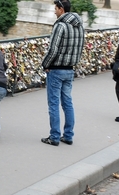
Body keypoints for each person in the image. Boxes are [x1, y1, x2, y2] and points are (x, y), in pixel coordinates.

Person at [40, 0, 84, 146]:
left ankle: (54, 137)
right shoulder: (79, 26)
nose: (54, 11)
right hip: (70, 69)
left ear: (61, 9)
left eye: (55, 8)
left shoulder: (60, 26)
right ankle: (68, 135)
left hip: (56, 69)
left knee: (53, 104)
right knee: (68, 103)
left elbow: (53, 49)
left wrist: (45, 64)